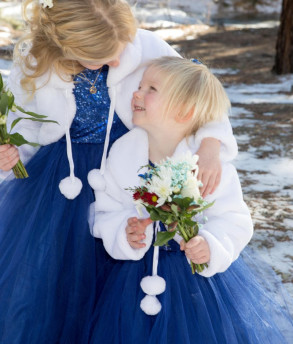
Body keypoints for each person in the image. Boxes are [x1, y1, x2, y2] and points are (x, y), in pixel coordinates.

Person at [0, 0, 236, 344]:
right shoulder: (36, 62)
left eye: (119, 48)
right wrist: (10, 156)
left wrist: (209, 145)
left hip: (131, 173)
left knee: (126, 273)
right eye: (102, 55)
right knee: (57, 279)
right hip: (58, 182)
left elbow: (196, 92)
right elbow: (24, 126)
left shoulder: (143, 45)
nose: (116, 58)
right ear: (66, 46)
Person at [89, 57, 293, 344]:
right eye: (139, 85)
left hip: (193, 282)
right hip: (132, 280)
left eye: (151, 89)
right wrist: (125, 230)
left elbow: (235, 219)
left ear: (184, 111)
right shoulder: (123, 154)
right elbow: (105, 208)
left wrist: (209, 244)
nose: (137, 93)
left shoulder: (207, 168)